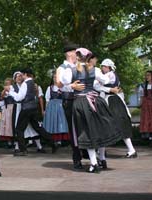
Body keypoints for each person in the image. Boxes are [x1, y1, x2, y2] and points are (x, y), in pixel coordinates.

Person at [71, 48, 121, 173]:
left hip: (80, 102)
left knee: (87, 132)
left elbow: (63, 85)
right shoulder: (96, 70)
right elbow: (106, 81)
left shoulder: (71, 70)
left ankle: (94, 163)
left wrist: (73, 85)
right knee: (99, 129)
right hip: (95, 100)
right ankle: (102, 159)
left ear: (77, 57)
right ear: (89, 57)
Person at [6, 68, 56, 156]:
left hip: (26, 108)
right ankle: (52, 142)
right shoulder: (33, 83)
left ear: (25, 74)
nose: (21, 76)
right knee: (37, 127)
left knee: (19, 129)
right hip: (33, 108)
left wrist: (10, 92)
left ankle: (23, 150)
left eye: (22, 75)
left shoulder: (25, 84)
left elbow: (19, 98)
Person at [94, 58, 137, 159]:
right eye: (102, 67)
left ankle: (130, 150)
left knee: (109, 124)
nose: (102, 68)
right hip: (110, 100)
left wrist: (107, 88)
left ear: (108, 67)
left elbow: (97, 86)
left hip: (112, 101)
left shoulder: (109, 75)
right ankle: (130, 150)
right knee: (111, 124)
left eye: (104, 66)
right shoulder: (108, 75)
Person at [55, 41, 86, 170]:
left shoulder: (80, 66)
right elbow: (58, 84)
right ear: (69, 53)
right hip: (70, 100)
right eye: (75, 51)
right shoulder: (61, 68)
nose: (77, 54)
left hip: (83, 100)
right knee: (74, 129)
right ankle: (77, 157)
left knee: (85, 126)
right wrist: (71, 86)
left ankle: (88, 152)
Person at [43, 71, 69, 143]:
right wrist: (45, 110)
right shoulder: (49, 88)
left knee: (59, 121)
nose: (55, 79)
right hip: (51, 107)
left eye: (56, 77)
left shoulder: (62, 88)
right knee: (52, 121)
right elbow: (47, 99)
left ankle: (59, 140)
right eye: (54, 77)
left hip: (60, 106)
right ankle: (53, 139)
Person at [139, 70, 152, 143]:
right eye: (146, 75)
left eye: (148, 75)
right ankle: (149, 138)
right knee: (147, 120)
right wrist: (141, 104)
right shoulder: (143, 85)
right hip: (146, 105)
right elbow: (141, 96)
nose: (146, 77)